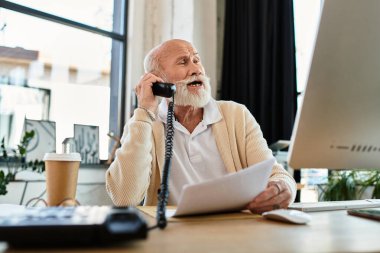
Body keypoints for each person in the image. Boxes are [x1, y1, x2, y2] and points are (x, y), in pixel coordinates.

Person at [106, 39, 296, 214]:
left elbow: (275, 173)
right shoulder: (144, 124)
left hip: (234, 227)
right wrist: (144, 112)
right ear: (157, 80)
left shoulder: (236, 115)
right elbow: (124, 198)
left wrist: (282, 187)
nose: (196, 69)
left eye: (197, 60)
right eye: (183, 62)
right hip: (172, 235)